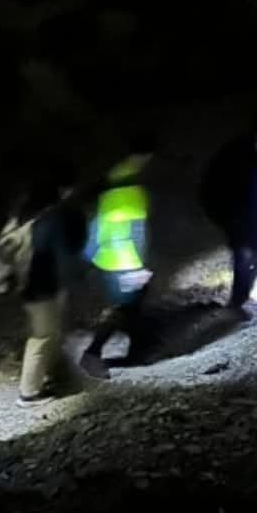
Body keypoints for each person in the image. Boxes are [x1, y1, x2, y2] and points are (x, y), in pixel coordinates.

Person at [0, 176, 87, 404]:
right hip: (44, 288)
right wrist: (75, 278)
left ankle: (47, 376)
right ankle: (28, 393)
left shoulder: (23, 217)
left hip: (29, 286)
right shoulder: (50, 220)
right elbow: (60, 256)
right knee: (43, 336)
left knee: (50, 332)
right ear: (60, 191)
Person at [81, 148, 154, 376]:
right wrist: (140, 265)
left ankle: (139, 349)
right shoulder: (131, 188)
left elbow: (101, 224)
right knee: (123, 309)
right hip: (125, 260)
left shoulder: (112, 181)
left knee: (132, 307)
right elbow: (137, 231)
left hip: (109, 257)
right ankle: (92, 354)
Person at [200, 118, 257, 310]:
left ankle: (238, 298)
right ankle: (238, 300)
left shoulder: (229, 150)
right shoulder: (253, 156)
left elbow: (208, 182)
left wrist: (214, 212)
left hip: (229, 213)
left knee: (243, 254)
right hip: (243, 214)